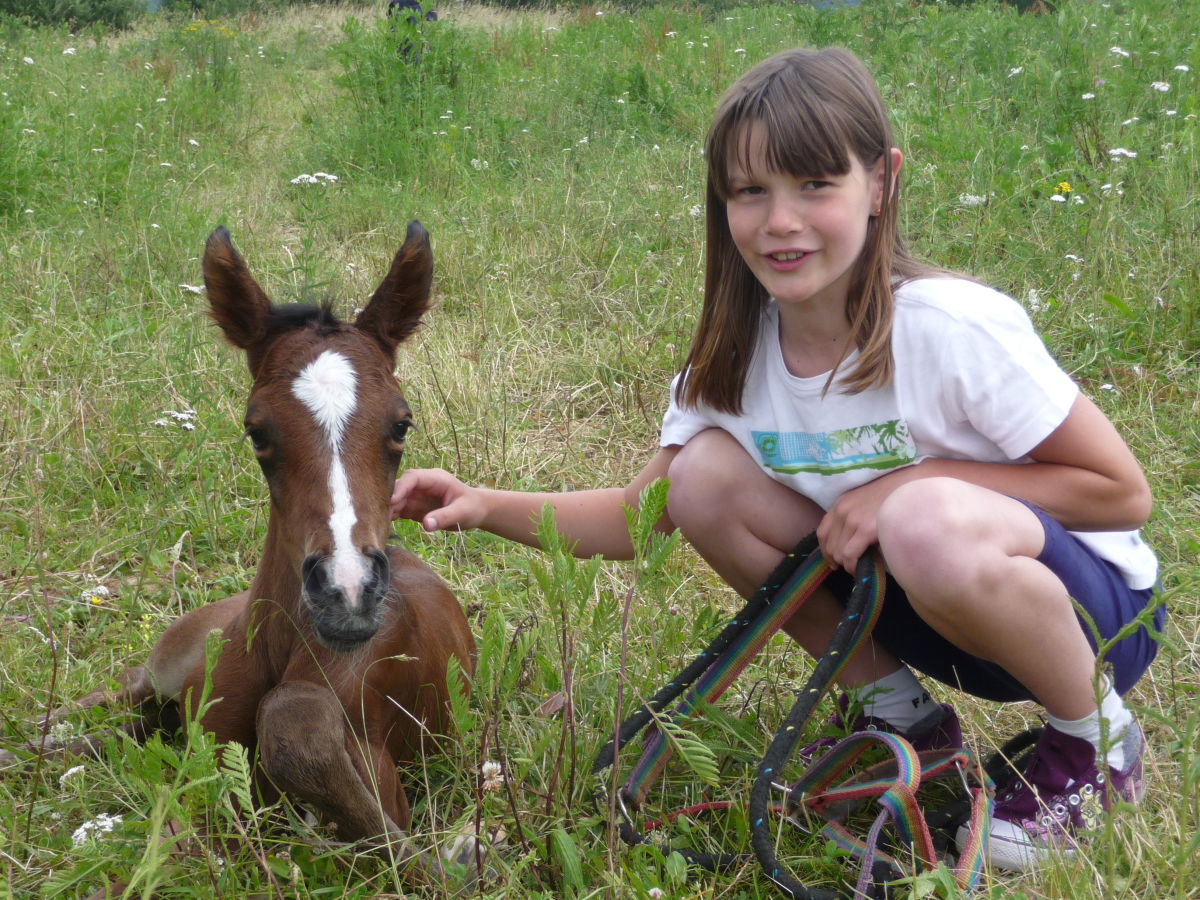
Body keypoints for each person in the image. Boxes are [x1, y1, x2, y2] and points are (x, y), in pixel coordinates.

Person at [391, 47, 1165, 872]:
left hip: (1087, 619)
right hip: (917, 604)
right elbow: (640, 518)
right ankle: (900, 716)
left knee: (925, 518)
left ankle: (1096, 744)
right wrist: (483, 502)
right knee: (703, 479)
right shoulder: (730, 365)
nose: (780, 221)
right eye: (750, 191)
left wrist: (912, 482)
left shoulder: (950, 329)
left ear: (883, 182)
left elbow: (1119, 492)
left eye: (814, 185)